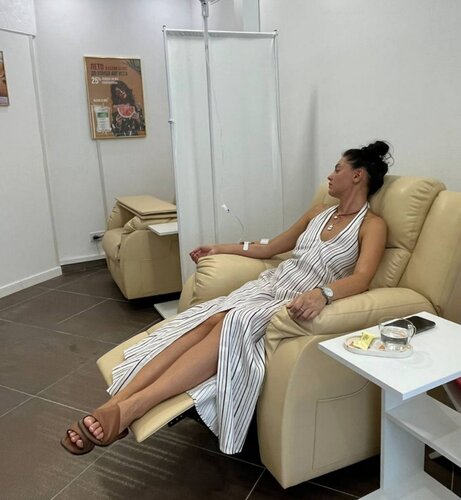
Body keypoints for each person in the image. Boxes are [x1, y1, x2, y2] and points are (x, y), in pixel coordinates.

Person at [61, 140, 391, 456]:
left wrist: (323, 294)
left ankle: (133, 407)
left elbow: (361, 278)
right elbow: (271, 247)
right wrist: (220, 248)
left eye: (338, 169)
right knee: (210, 317)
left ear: (358, 175)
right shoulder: (319, 212)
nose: (330, 176)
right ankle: (114, 404)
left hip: (292, 300)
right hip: (269, 285)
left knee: (231, 322)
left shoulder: (372, 225)